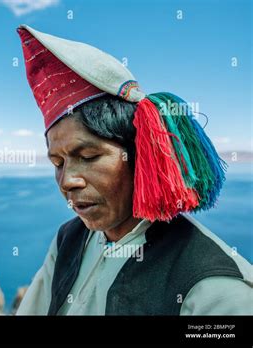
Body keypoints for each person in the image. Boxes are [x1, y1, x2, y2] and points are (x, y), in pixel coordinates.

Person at [15, 25, 253, 315]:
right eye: (58, 163)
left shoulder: (217, 292)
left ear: (141, 154)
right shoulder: (69, 240)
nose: (67, 181)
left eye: (88, 155)